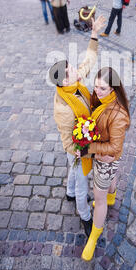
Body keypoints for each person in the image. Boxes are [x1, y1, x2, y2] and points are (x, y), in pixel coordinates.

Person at [47, 16, 106, 237]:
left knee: (72, 175)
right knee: (83, 183)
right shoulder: (63, 109)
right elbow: (69, 141)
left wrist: (94, 34)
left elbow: (88, 61)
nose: (75, 70)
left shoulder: (73, 84)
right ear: (63, 82)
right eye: (71, 71)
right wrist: (84, 153)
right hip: (77, 151)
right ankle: (85, 215)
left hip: (81, 145)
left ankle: (69, 193)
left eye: (72, 67)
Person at [79, 67, 130, 261]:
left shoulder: (118, 114)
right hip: (105, 158)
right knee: (112, 176)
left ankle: (94, 235)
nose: (96, 91)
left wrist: (88, 148)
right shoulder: (102, 100)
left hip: (105, 159)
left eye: (102, 88)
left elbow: (115, 148)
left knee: (98, 199)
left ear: (113, 89)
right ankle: (112, 197)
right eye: (96, 86)